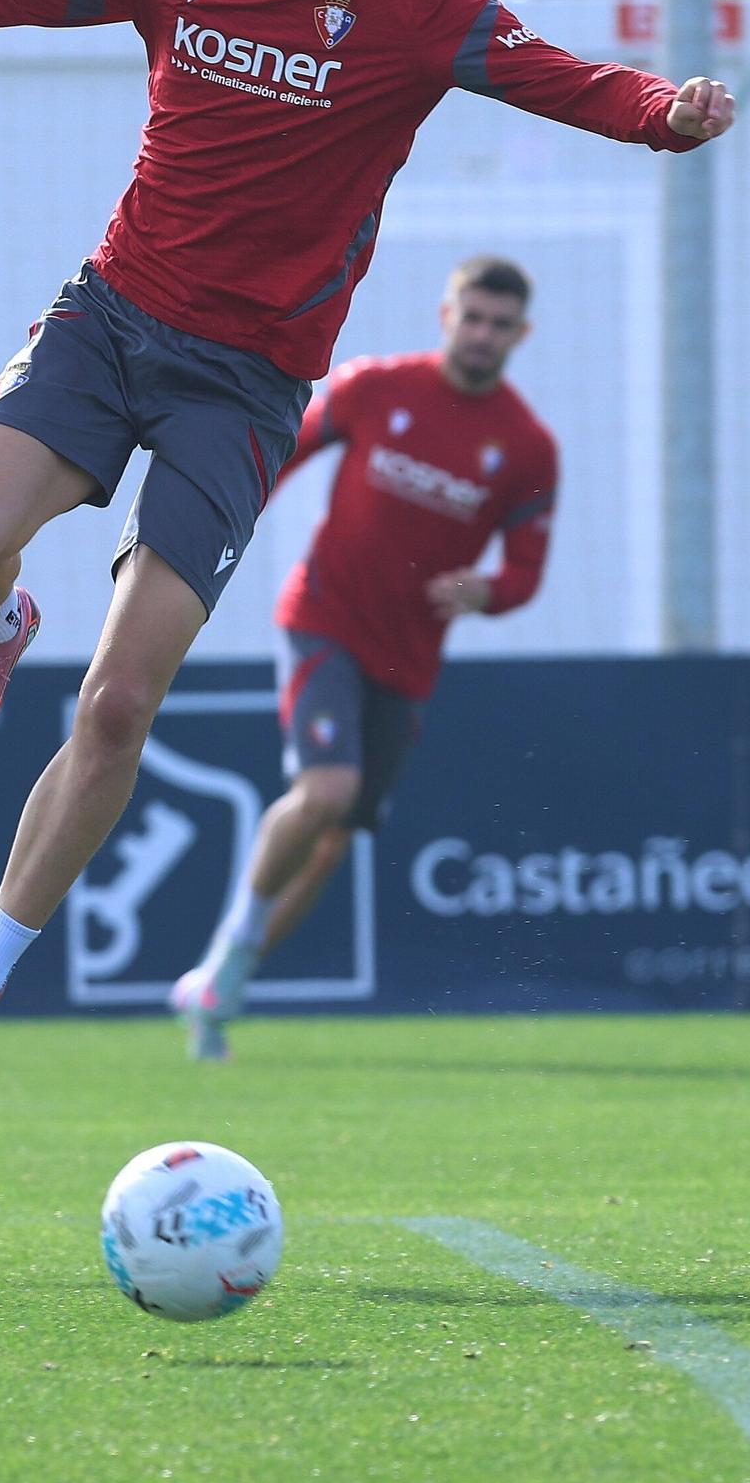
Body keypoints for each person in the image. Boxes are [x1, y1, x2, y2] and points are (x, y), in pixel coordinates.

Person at [0, 0, 734, 1115]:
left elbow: (560, 77)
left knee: (119, 699)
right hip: (109, 319)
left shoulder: (410, 0)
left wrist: (661, 114)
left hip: (246, 386)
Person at [170, 254, 556, 1059]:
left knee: (335, 834)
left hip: (407, 658)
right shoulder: (376, 387)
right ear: (447, 316)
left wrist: (485, 591)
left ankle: (223, 985)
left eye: (499, 324)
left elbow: (524, 572)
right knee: (326, 790)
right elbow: (277, 451)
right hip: (323, 618)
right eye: (471, 317)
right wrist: (214, 524)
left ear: (521, 335)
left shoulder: (526, 447)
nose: (482, 335)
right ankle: (229, 951)